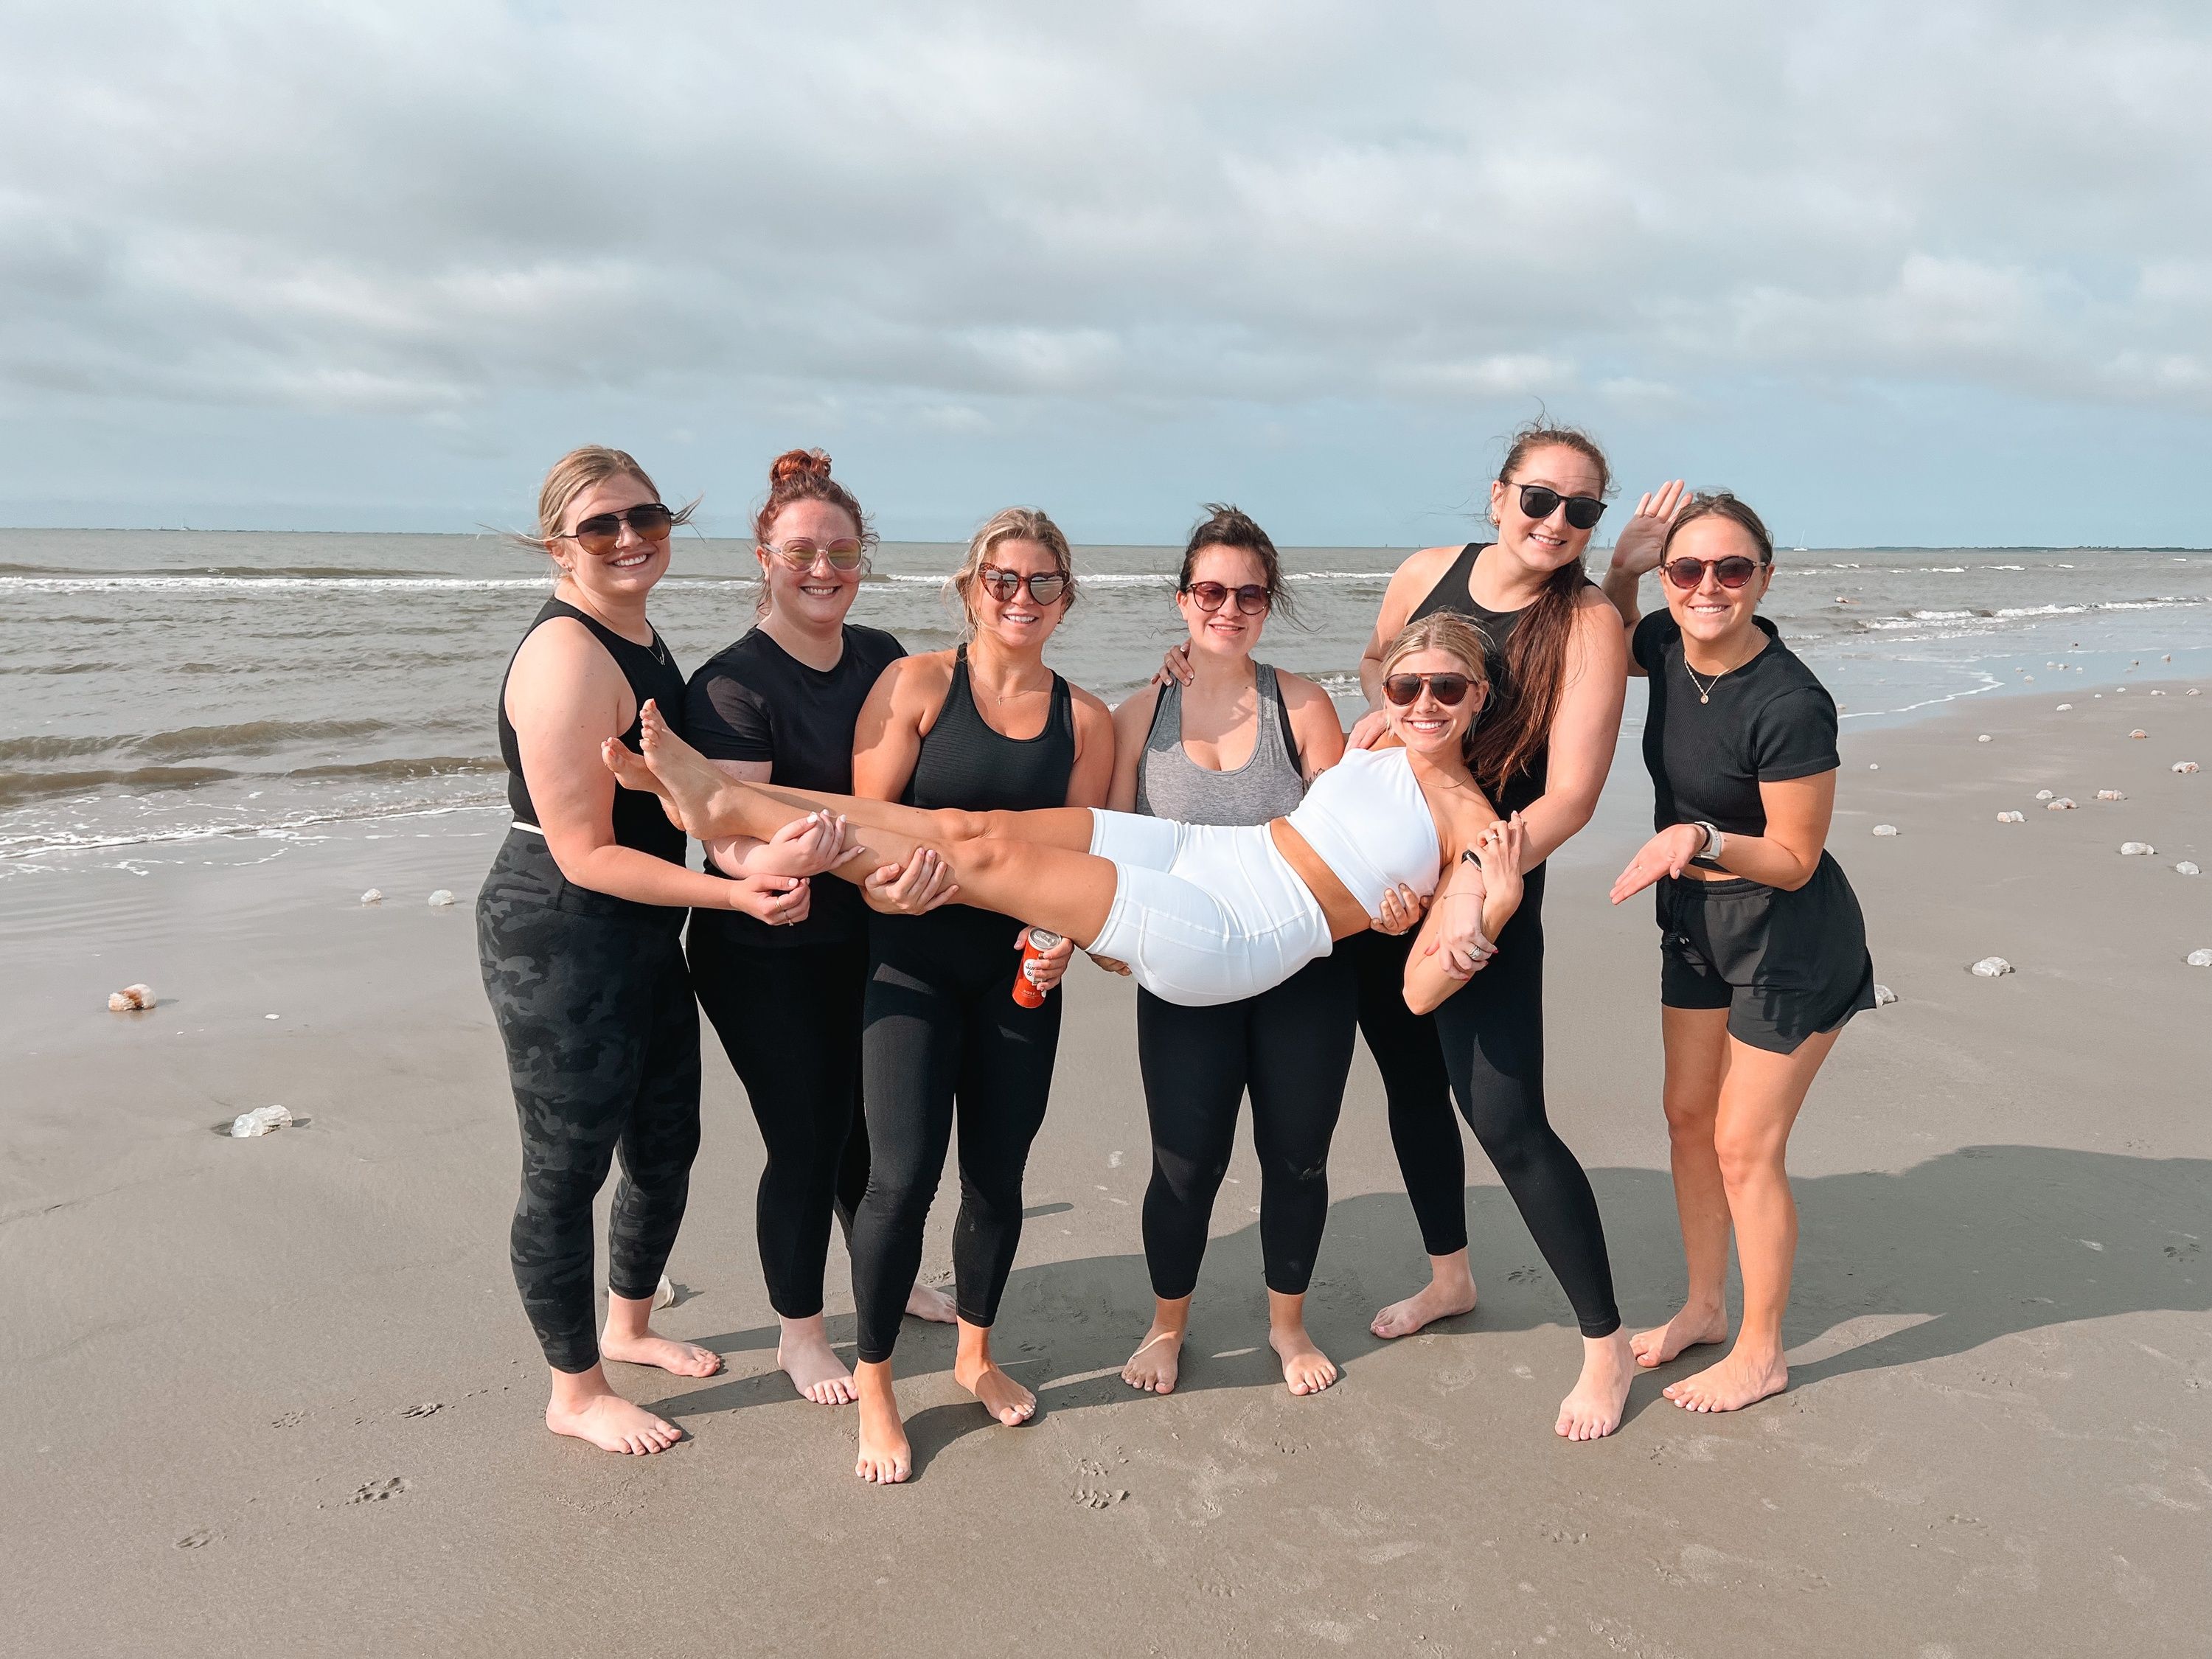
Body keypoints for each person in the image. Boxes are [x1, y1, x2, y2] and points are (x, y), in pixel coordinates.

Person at [1343, 422, 1684, 1440]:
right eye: (1540, 499)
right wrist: (1381, 709)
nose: (1557, 522)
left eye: (1582, 510)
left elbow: (1572, 796)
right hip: (1386, 871)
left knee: (1505, 1114)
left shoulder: (1585, 622)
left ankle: (1603, 1343)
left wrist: (1478, 883)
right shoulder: (1424, 570)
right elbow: (1375, 662)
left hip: (1487, 884)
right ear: (1498, 496)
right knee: (1408, 1081)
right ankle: (1450, 1275)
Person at [476, 446, 804, 1455]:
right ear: (555, 544)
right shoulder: (569, 654)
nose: (629, 538)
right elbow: (583, 851)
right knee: (567, 1167)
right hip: (559, 936)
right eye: (600, 526)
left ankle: (630, 1325)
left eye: (645, 516)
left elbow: (655, 791)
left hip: (641, 929)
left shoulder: (635, 629)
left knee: (664, 1146)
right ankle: (573, 1387)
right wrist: (736, 891)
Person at [682, 449, 961, 1409]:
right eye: (802, 549)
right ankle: (800, 1333)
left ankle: (883, 1274)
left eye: (842, 550)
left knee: (871, 1137)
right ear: (765, 553)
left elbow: (934, 765)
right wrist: (770, 866)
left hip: (870, 934)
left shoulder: (883, 656)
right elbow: (724, 839)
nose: (823, 567)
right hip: (766, 949)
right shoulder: (731, 684)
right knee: (805, 1138)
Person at [840, 508, 1107, 1483]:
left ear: (1065, 596)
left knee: (997, 1176)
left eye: (1042, 581)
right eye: (1003, 579)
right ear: (969, 587)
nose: (1021, 598)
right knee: (900, 1177)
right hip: (909, 968)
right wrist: (879, 882)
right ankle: (876, 1385)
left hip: (1018, 979)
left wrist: (1058, 937)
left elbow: (1082, 858)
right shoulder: (913, 685)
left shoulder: (1087, 720)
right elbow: (861, 835)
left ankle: (974, 1355)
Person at [1109, 506, 1394, 1399]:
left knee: (1296, 1155)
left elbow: (1354, 832)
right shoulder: (1138, 712)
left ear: (1269, 604)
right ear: (1182, 598)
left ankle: (1287, 1324)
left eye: (1249, 594)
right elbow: (1113, 841)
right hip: (1187, 973)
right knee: (1184, 1162)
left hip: (1305, 973)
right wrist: (1103, 940)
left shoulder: (1302, 703)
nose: (1227, 608)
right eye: (1209, 590)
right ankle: (1168, 1326)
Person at [1601, 491, 1874, 1412]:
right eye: (1687, 570)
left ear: (1765, 576)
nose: (1707, 587)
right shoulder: (1667, 645)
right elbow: (1605, 636)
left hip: (1788, 937)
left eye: (1731, 570)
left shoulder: (1792, 702)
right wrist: (1625, 567)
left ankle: (1763, 1350)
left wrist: (1702, 838)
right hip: (1694, 923)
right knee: (1686, 1117)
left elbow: (1796, 861)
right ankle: (1706, 1308)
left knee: (1744, 1147)